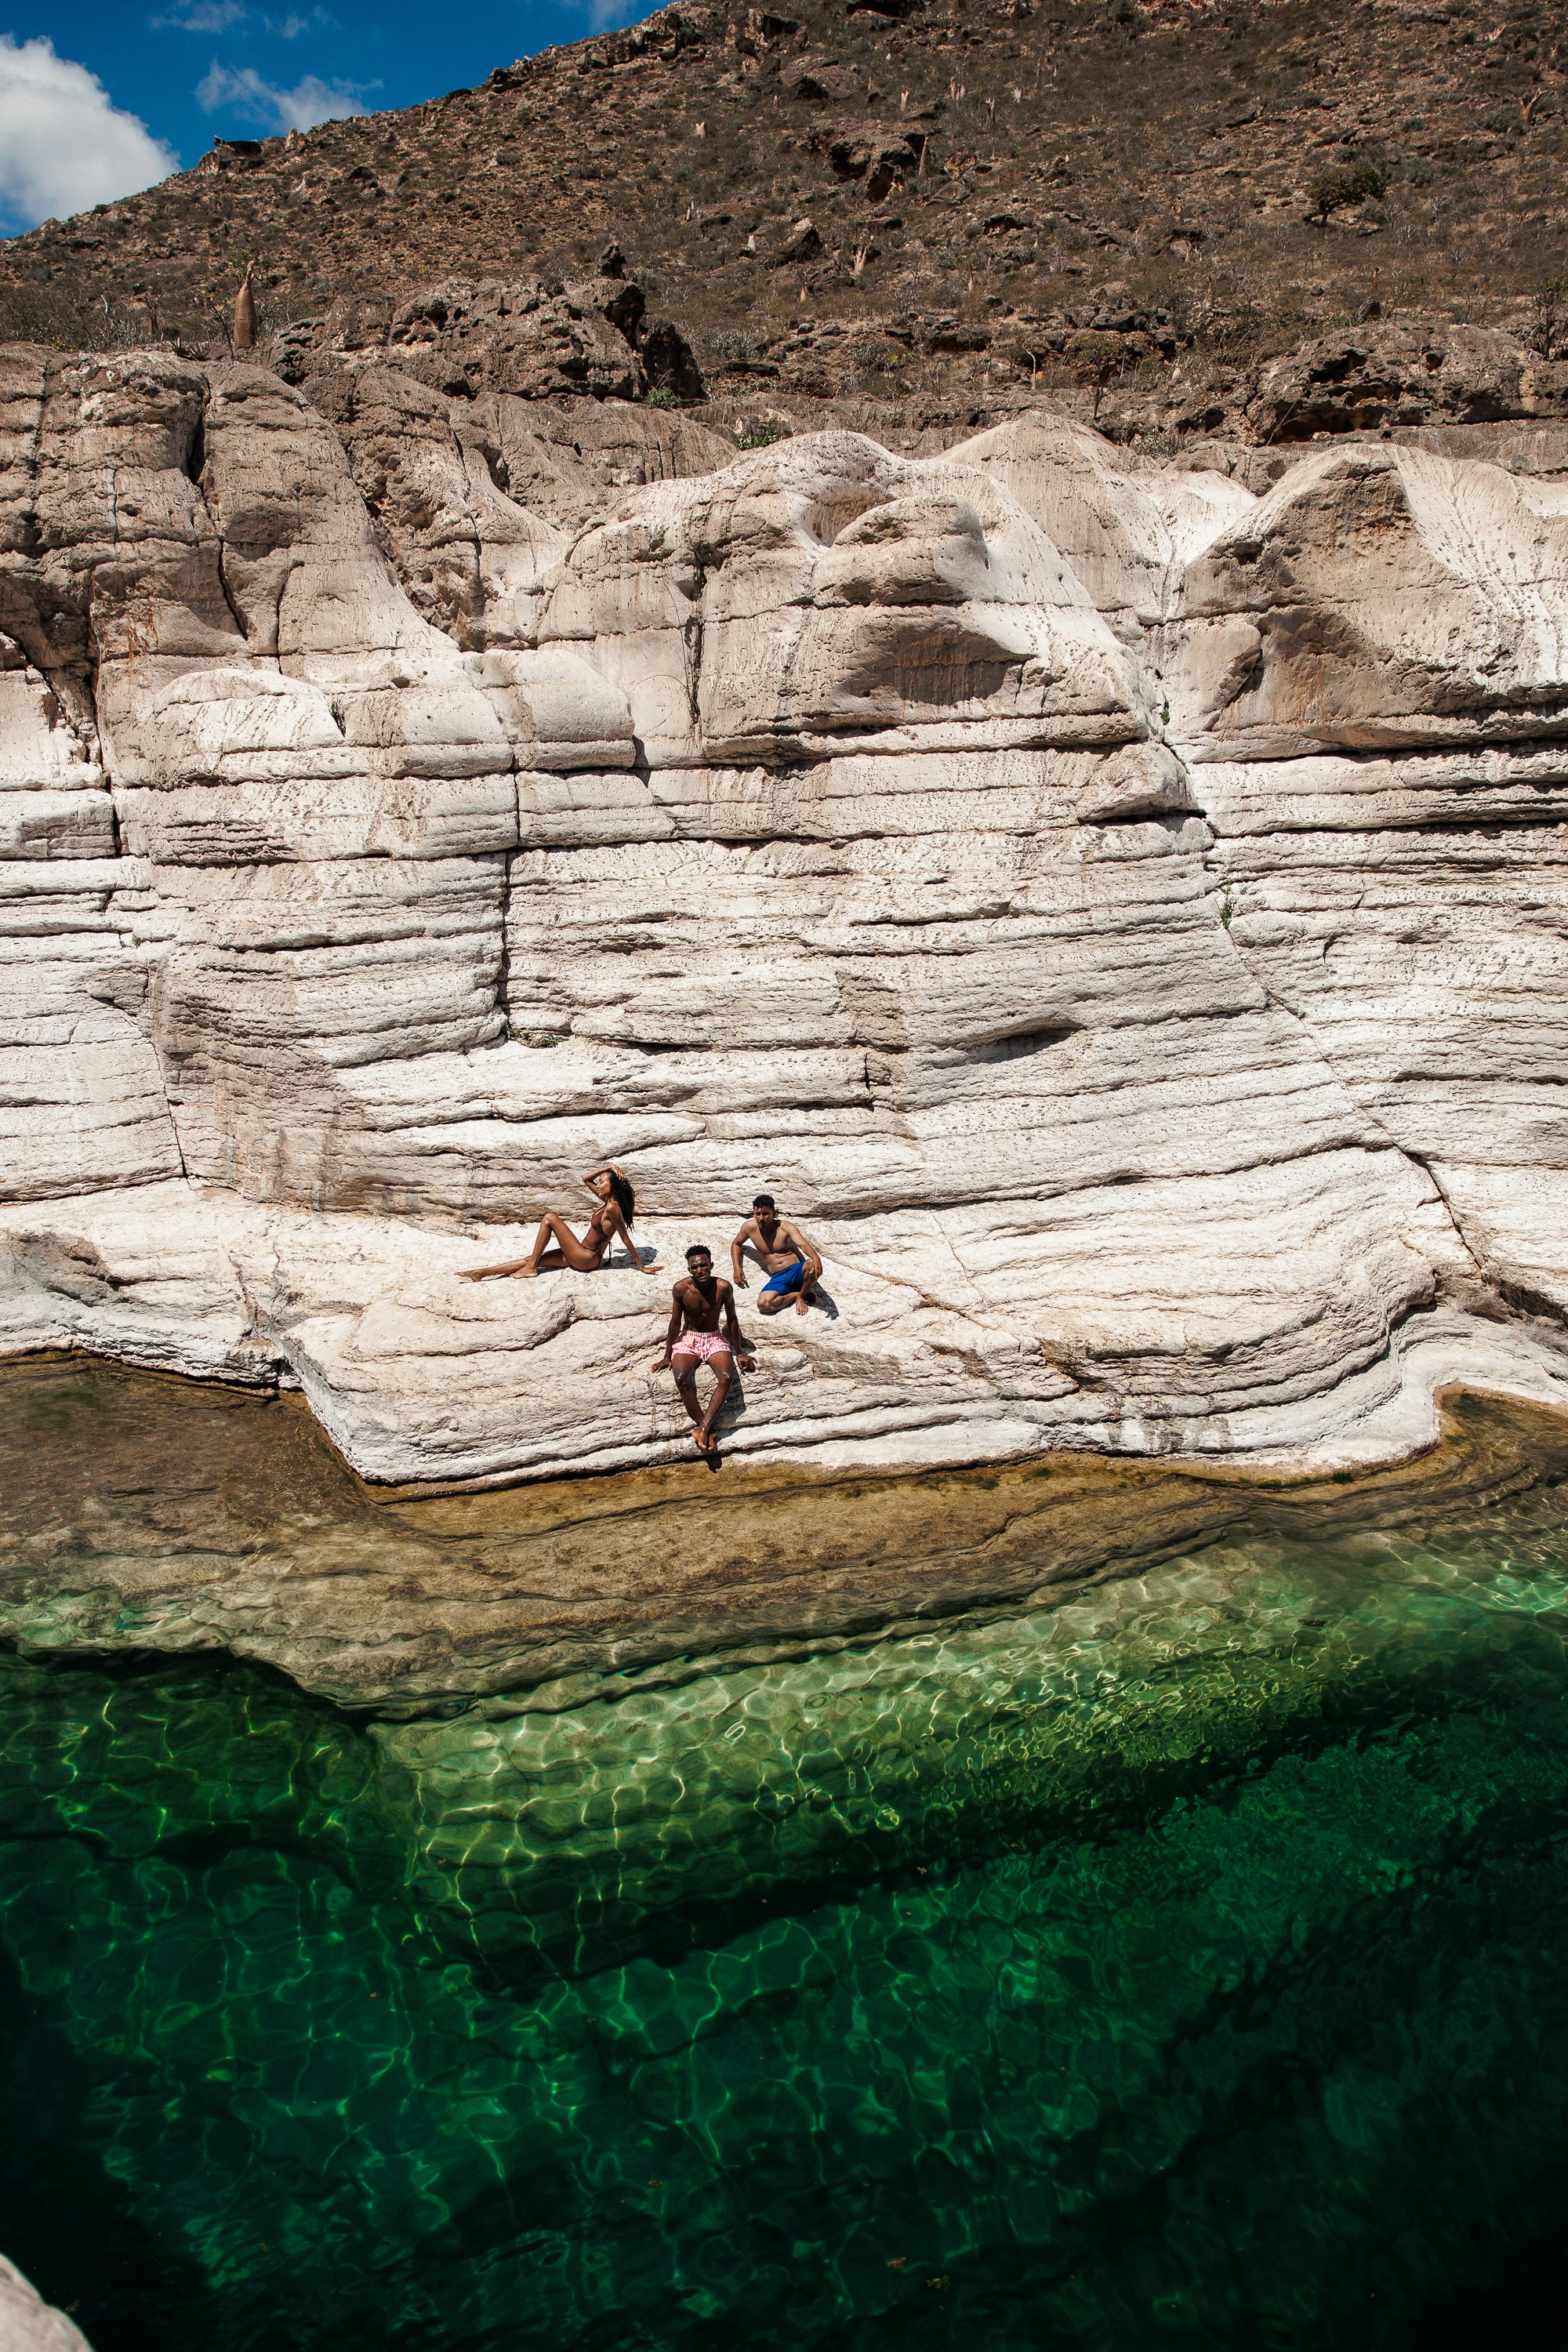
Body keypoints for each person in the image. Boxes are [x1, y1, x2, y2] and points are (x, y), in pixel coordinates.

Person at [457, 1163, 660, 1281]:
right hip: (579, 1253)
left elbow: (625, 1238)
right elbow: (585, 1178)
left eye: (602, 1182)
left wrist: (640, 1266)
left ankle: (530, 1269)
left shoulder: (613, 1208)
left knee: (550, 1218)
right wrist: (609, 1168)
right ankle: (482, 1273)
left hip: (587, 1258)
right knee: (533, 1258)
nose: (598, 1185)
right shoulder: (607, 1201)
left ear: (613, 1187)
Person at [652, 1244, 755, 1454]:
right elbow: (675, 1322)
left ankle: (702, 1430)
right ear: (689, 1269)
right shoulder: (681, 1289)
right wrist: (667, 1355)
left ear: (711, 1265)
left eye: (704, 1266)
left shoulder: (723, 1287)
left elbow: (732, 1318)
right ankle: (705, 1429)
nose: (700, 1271)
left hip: (714, 1337)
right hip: (689, 1338)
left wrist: (739, 1352)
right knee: (681, 1378)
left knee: (726, 1377)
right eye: (695, 1267)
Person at [731, 1192, 823, 1316]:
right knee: (763, 1305)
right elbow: (736, 1244)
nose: (761, 1218)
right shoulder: (749, 1228)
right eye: (758, 1214)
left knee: (813, 1263)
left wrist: (815, 1257)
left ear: (773, 1213)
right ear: (754, 1213)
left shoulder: (786, 1228)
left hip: (797, 1272)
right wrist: (737, 1268)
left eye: (765, 1214)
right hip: (779, 1277)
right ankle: (797, 1294)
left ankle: (801, 1297)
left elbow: (803, 1245)